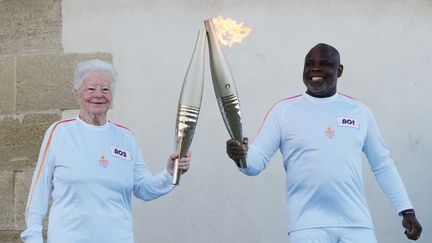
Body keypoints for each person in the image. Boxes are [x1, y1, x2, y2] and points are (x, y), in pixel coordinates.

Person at [226, 43, 422, 242]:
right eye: (309, 64)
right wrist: (242, 156)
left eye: (325, 64)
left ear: (339, 70)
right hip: (306, 226)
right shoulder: (284, 111)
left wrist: (406, 210)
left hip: (356, 225)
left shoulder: (359, 112)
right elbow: (255, 163)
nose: (315, 69)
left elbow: (382, 164)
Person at [21, 59, 191, 243]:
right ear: (77, 94)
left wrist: (170, 174)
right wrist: (33, 238)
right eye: (91, 89)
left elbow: (144, 188)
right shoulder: (59, 132)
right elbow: (38, 193)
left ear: (112, 96)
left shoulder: (126, 138)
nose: (98, 95)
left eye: (105, 89)